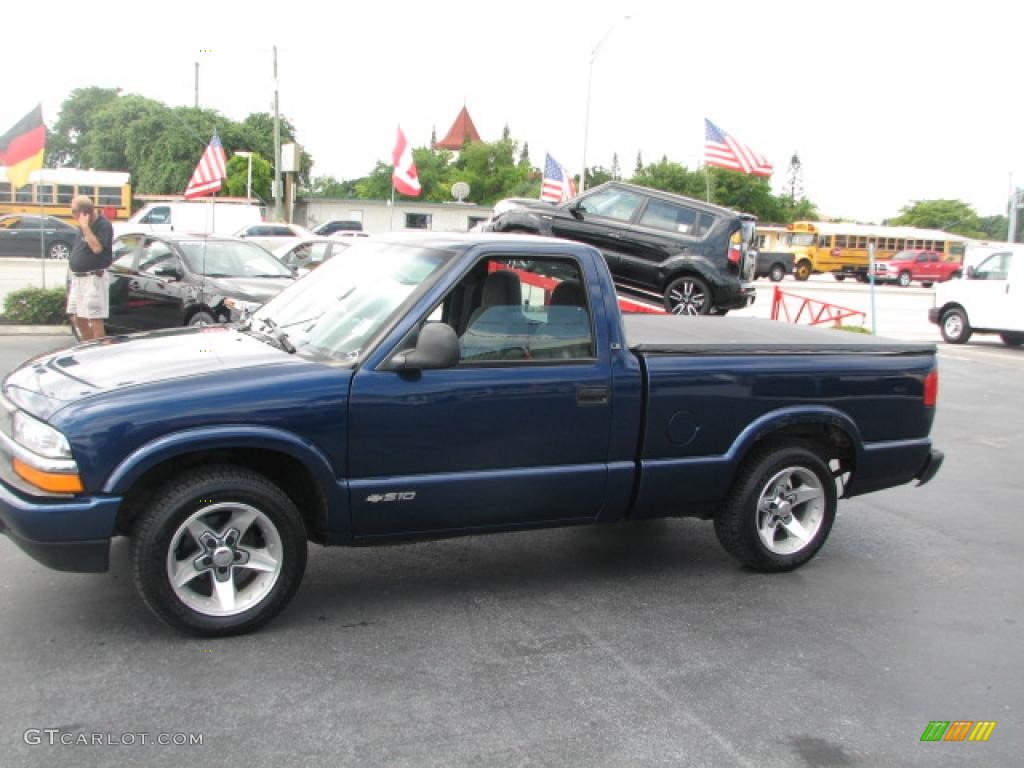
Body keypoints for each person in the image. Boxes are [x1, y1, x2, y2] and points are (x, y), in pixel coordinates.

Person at [67, 195, 114, 340]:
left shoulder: (103, 225)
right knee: (76, 317)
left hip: (94, 277)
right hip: (78, 278)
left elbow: (97, 248)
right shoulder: (81, 227)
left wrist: (86, 227)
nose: (72, 215)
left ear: (85, 212)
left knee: (94, 318)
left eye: (74, 211)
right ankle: (87, 347)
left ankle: (98, 349)